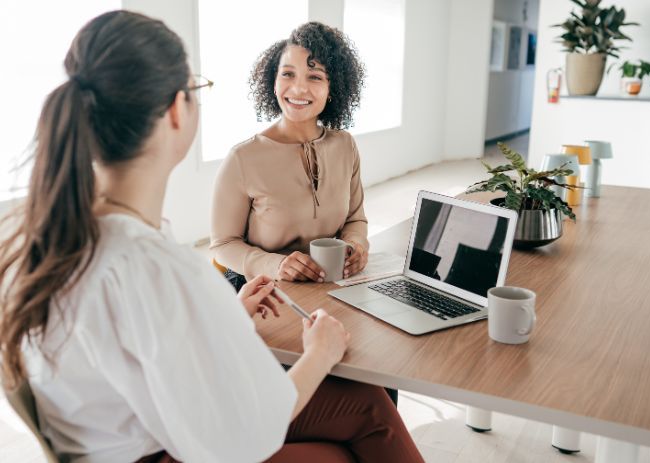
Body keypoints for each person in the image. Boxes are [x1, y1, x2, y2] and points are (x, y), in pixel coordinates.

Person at [0, 11, 423, 463]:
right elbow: (247, 436)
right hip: (164, 451)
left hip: (129, 436)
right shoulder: (160, 266)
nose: (299, 87)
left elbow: (139, 347)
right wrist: (320, 354)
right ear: (176, 111)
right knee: (360, 428)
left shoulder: (40, 237)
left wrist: (227, 317)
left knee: (366, 405)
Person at [210, 22, 369, 290]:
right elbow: (223, 245)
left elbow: (355, 219)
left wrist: (356, 245)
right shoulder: (243, 158)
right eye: (287, 74)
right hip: (263, 291)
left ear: (333, 89)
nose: (297, 89)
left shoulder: (345, 146)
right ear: (273, 83)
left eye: (314, 77)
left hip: (329, 285)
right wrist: (275, 265)